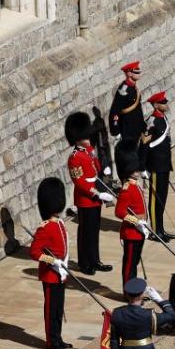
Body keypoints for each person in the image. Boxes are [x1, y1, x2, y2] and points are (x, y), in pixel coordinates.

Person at [66, 111, 114, 276]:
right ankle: (84, 263)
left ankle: (95, 260)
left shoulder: (87, 150)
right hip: (85, 198)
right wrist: (97, 194)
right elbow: (79, 182)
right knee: (85, 231)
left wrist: (103, 167)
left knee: (94, 231)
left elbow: (96, 167)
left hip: (94, 196)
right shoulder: (74, 157)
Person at [29, 177, 71, 349]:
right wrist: (52, 261)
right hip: (51, 275)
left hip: (60, 273)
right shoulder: (45, 228)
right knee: (51, 310)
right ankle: (51, 341)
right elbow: (34, 252)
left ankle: (58, 337)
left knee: (59, 310)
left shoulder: (59, 223)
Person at [143, 91, 175, 242]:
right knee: (155, 199)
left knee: (162, 197)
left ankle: (161, 229)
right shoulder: (151, 122)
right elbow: (143, 145)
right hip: (155, 165)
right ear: (156, 105)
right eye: (163, 102)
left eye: (165, 102)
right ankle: (155, 231)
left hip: (164, 164)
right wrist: (143, 167)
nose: (165, 104)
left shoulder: (163, 118)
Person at [115, 152, 150, 286]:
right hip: (131, 232)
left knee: (134, 262)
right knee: (130, 265)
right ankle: (128, 292)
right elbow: (119, 212)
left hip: (140, 230)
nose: (136, 171)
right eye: (134, 169)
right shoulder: (127, 189)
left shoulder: (135, 185)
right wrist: (136, 221)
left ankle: (133, 290)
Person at [108, 61, 147, 167]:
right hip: (128, 130)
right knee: (130, 160)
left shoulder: (134, 87)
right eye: (136, 72)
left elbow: (137, 109)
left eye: (139, 72)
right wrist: (116, 132)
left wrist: (142, 125)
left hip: (136, 128)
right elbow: (114, 112)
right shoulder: (123, 90)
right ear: (129, 73)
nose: (139, 74)